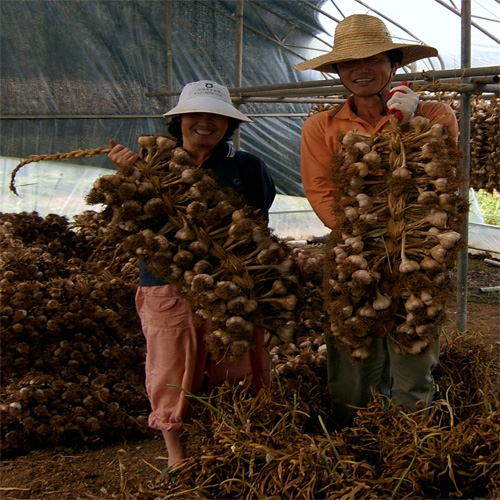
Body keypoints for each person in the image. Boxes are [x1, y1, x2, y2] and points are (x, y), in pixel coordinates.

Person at [294, 14, 459, 428]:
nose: (361, 69)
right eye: (350, 62)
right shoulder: (321, 126)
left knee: (414, 355)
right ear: (337, 71)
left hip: (418, 251)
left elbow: (440, 174)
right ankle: (356, 437)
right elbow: (320, 190)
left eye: (372, 59)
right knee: (354, 354)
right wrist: (361, 236)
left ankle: (412, 439)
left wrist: (412, 119)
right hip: (354, 252)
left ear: (394, 64)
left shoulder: (436, 113)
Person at [108, 80, 276, 467]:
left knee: (235, 367)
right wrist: (129, 178)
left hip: (230, 284)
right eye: (196, 114)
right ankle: (177, 461)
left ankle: (230, 451)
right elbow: (129, 225)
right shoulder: (148, 163)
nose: (205, 122)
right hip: (164, 282)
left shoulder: (247, 167)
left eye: (216, 116)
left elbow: (258, 226)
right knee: (170, 369)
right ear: (179, 120)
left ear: (228, 123)